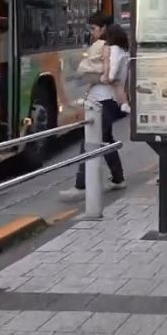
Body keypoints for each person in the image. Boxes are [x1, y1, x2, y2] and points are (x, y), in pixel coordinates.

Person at [62, 14, 126, 200]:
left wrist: (96, 74)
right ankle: (117, 178)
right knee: (104, 138)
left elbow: (108, 74)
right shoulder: (115, 48)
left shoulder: (107, 48)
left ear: (104, 28)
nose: (92, 33)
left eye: (94, 29)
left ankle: (82, 185)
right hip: (106, 99)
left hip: (104, 99)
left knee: (90, 141)